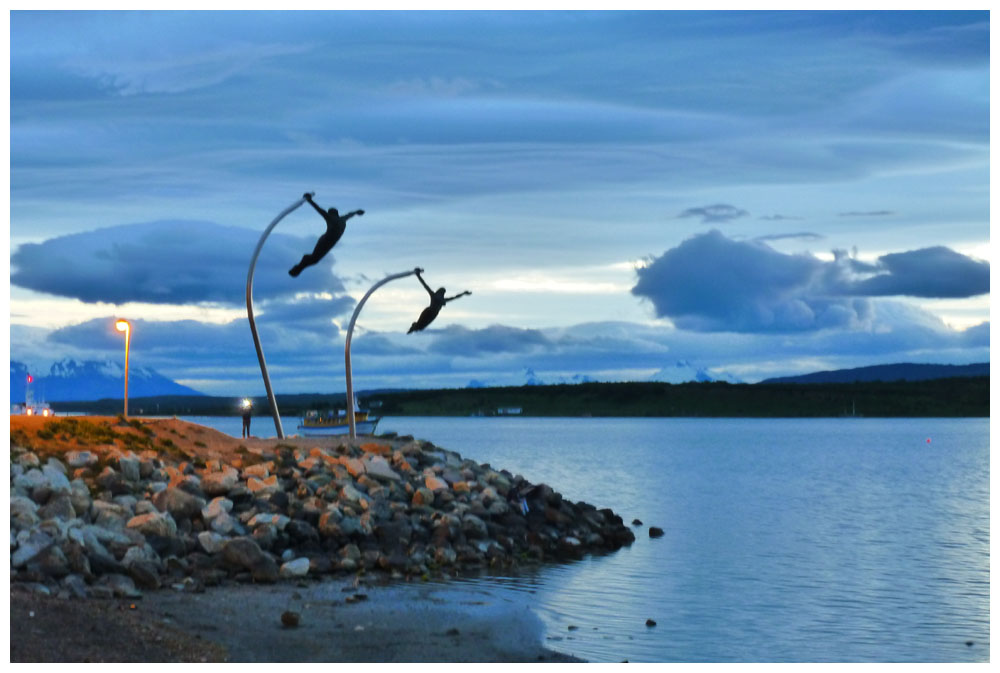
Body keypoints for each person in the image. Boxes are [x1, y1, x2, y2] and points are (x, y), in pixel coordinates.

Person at [288, 193, 364, 277]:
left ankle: (298, 267)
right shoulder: (342, 219)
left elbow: (319, 209)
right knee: (314, 259)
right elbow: (350, 214)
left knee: (314, 259)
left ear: (331, 213)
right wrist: (357, 212)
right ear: (336, 213)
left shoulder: (333, 218)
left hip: (326, 240)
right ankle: (297, 269)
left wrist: (310, 200)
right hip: (326, 240)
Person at [407, 268, 471, 334]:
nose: (441, 294)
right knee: (419, 326)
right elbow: (425, 285)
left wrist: (463, 293)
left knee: (420, 327)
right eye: (441, 292)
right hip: (429, 312)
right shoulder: (435, 296)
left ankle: (412, 330)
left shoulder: (441, 298)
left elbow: (455, 297)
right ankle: (411, 330)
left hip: (432, 314)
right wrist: (418, 275)